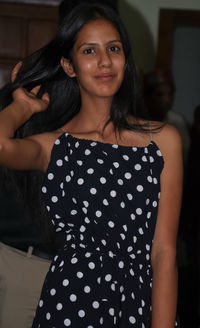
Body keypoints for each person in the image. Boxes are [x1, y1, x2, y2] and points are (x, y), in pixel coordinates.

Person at [0, 3, 182, 327]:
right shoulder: (55, 145)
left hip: (138, 301)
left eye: (113, 48)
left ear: (125, 59)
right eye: (89, 50)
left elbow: (164, 252)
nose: (104, 61)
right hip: (71, 300)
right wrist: (23, 107)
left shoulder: (164, 140)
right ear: (69, 66)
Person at [143, 69, 190, 171]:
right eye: (160, 95)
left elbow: (184, 157)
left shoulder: (177, 121)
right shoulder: (138, 121)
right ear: (147, 97)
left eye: (170, 94)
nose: (167, 100)